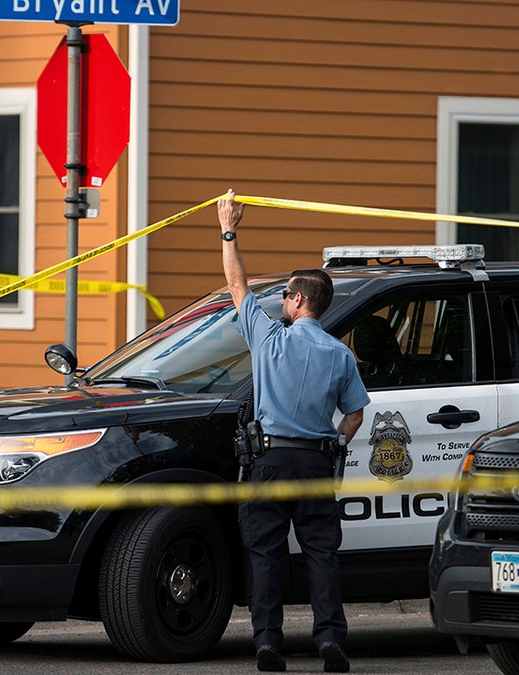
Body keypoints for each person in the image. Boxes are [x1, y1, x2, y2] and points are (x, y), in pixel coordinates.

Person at [218, 189, 369, 673]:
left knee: (265, 553)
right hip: (316, 462)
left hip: (270, 460)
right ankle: (330, 642)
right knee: (322, 554)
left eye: (284, 294)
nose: (280, 300)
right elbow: (355, 415)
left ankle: (267, 644)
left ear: (299, 299)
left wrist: (228, 229)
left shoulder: (269, 339)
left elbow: (237, 286)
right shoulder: (340, 354)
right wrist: (336, 444)